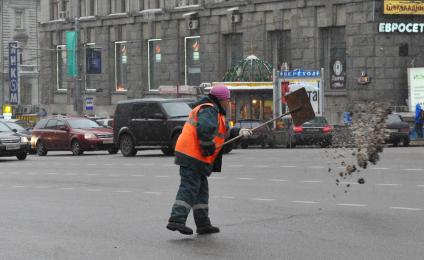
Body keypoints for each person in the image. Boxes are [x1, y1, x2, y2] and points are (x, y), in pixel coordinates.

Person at [167, 85, 252, 235]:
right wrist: (207, 145)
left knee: (201, 191)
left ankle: (203, 224)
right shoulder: (209, 109)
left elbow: (224, 133)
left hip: (196, 156)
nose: (228, 103)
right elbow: (205, 128)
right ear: (221, 100)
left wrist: (240, 132)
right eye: (227, 100)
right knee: (189, 187)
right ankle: (176, 219)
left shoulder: (216, 112)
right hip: (192, 155)